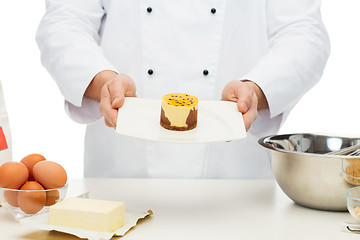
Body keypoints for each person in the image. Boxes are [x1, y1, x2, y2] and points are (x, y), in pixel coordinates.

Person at [36, 0, 330, 178]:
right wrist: (103, 82)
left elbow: (304, 34)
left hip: (233, 181)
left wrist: (256, 89)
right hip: (123, 174)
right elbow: (63, 23)